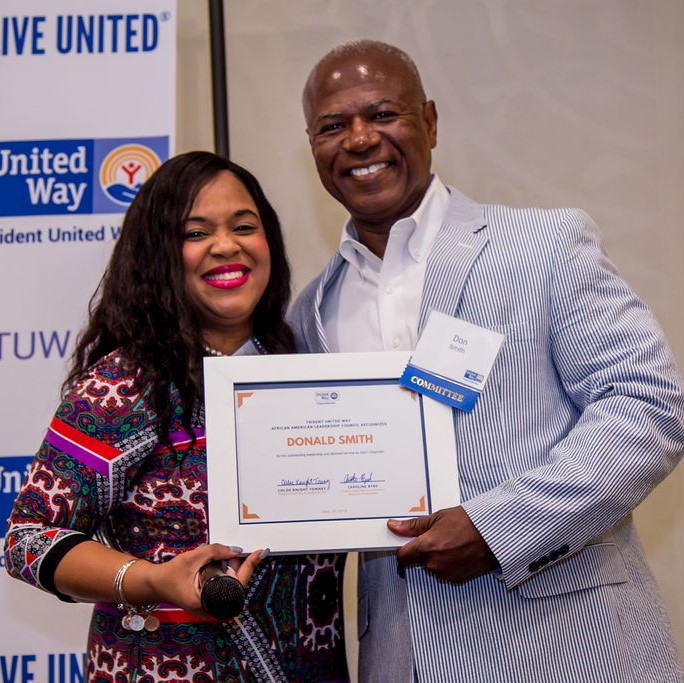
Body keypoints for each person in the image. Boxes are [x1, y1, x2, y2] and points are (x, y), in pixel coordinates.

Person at [289, 39, 684, 682]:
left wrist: (498, 525)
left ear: (431, 122)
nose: (360, 140)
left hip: (568, 648)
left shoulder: (544, 244)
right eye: (333, 126)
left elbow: (649, 407)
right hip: (401, 660)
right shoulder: (310, 313)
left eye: (383, 114)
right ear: (313, 148)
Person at [4, 151, 349, 683]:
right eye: (196, 233)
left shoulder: (306, 368)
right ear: (159, 255)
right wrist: (151, 581)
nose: (226, 245)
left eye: (244, 226)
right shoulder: (125, 385)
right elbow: (28, 539)